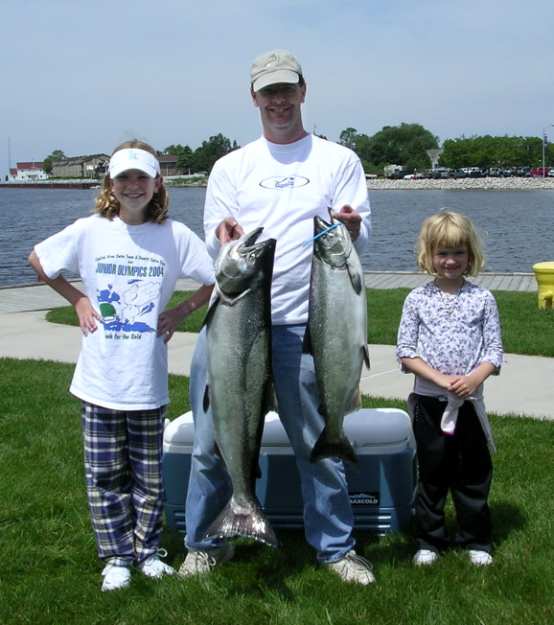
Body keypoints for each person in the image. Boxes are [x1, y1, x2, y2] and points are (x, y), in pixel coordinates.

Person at [179, 49, 374, 585]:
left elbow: (358, 236)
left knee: (320, 444)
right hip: (231, 324)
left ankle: (335, 549)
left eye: (287, 89)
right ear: (254, 98)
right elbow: (216, 248)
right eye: (269, 92)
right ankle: (205, 543)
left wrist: (352, 228)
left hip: (309, 324)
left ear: (304, 91)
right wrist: (221, 242)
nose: (279, 100)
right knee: (210, 444)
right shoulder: (230, 167)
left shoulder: (339, 160)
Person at [28, 140, 215, 592]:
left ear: (157, 184)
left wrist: (180, 311)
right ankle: (115, 556)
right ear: (110, 185)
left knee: (148, 478)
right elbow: (39, 260)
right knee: (105, 477)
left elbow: (216, 280)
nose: (133, 186)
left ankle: (147, 551)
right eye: (124, 178)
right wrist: (77, 300)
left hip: (146, 382)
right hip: (99, 381)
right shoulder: (90, 230)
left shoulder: (174, 235)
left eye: (142, 178)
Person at [396, 211, 503, 567]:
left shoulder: (484, 299)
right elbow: (406, 351)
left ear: (470, 255)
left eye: (458, 253)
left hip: (469, 403)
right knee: (432, 473)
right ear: (428, 256)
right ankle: (429, 540)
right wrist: (441, 381)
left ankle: (476, 539)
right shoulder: (416, 299)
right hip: (429, 403)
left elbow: (493, 351)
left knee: (473, 472)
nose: (451, 261)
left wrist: (475, 378)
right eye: (443, 253)